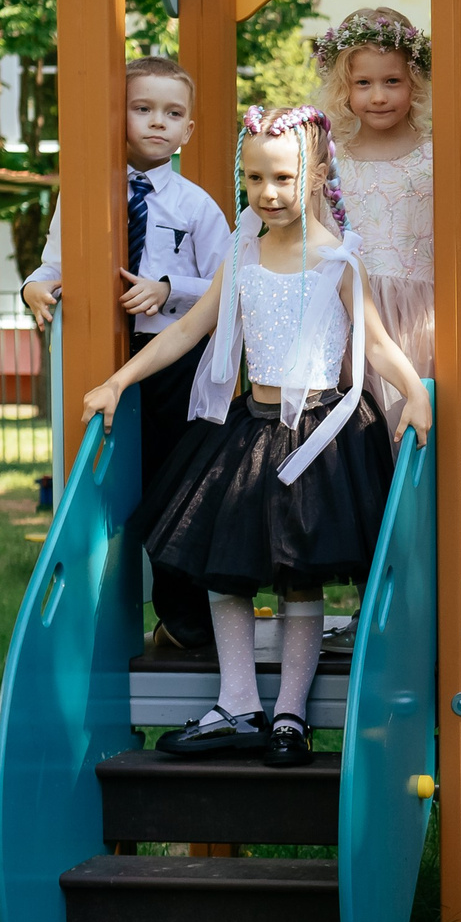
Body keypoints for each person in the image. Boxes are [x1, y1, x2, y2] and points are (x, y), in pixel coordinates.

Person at [81, 106, 432, 770]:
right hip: (249, 428)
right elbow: (190, 330)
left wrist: (414, 393)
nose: (267, 193)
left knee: (299, 577)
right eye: (253, 178)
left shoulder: (337, 259)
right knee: (225, 562)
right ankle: (238, 702)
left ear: (317, 175)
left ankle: (291, 715)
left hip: (319, 436)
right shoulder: (242, 250)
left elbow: (377, 345)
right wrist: (119, 382)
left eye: (282, 178)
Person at [22, 55, 229, 650]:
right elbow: (55, 260)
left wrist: (169, 290)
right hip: (106, 360)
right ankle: (98, 621)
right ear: (118, 117)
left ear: (188, 129)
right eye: (143, 110)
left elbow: (227, 284)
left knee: (176, 490)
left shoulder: (195, 206)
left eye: (173, 114)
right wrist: (35, 283)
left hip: (175, 361)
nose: (158, 123)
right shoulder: (85, 196)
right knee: (112, 487)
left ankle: (185, 622)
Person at [322, 6, 435, 434]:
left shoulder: (434, 155)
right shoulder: (330, 159)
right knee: (358, 439)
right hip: (349, 316)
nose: (379, 96)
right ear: (345, 89)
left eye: (393, 81)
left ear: (415, 84)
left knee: (419, 437)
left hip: (422, 318)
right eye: (363, 84)